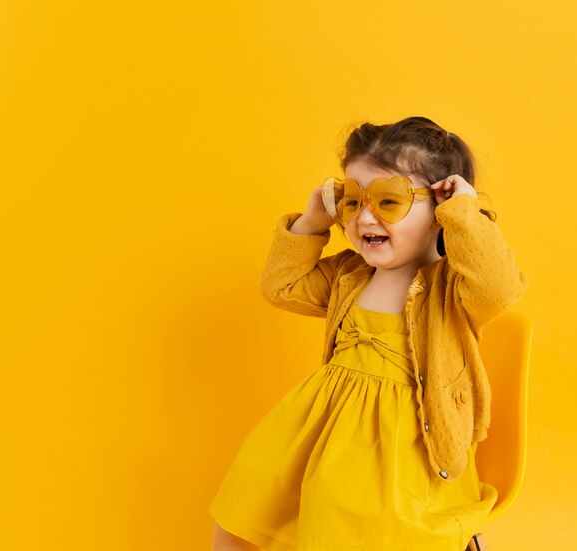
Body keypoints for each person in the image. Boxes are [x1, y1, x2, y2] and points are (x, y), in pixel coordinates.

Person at [209, 116, 527, 551]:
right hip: (326, 438)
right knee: (249, 494)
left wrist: (464, 212)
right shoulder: (350, 275)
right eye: (353, 201)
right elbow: (280, 288)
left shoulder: (451, 287)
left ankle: (452, 532)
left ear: (440, 209)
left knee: (353, 512)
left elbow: (499, 287)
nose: (365, 217)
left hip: (408, 451)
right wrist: (312, 221)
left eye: (388, 201)